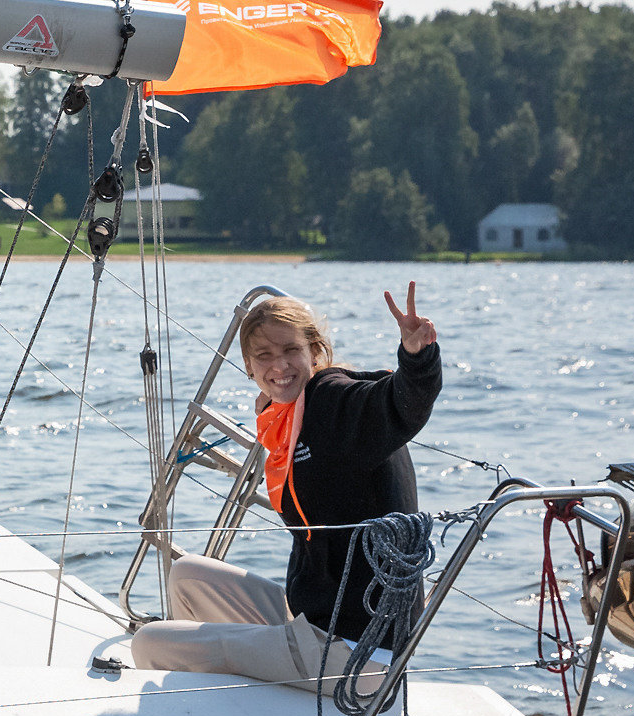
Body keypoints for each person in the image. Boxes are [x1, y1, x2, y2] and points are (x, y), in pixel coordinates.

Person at [129, 287, 443, 691]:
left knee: (151, 643)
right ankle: (223, 704)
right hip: (317, 618)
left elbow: (401, 403)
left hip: (356, 652)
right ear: (248, 365)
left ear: (314, 351)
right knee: (187, 576)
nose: (279, 365)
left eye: (290, 351)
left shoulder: (333, 402)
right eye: (264, 356)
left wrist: (417, 357)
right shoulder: (289, 417)